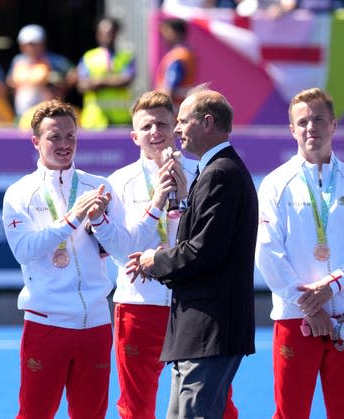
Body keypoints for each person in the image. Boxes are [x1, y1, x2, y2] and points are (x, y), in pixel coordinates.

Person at [125, 85, 257, 418]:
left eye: (183, 121)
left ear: (208, 122)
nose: (177, 130)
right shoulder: (218, 171)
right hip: (204, 328)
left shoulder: (220, 174)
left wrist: (154, 260)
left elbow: (204, 251)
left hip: (207, 328)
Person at [2, 99, 130, 418]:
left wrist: (101, 222)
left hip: (96, 322)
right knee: (35, 413)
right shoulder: (20, 193)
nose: (64, 144)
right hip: (47, 322)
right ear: (36, 142)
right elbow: (24, 250)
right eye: (54, 137)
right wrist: (72, 220)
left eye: (70, 136)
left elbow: (123, 250)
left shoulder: (99, 187)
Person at [255, 87, 344, 419]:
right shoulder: (275, 184)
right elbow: (267, 252)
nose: (312, 127)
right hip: (297, 317)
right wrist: (308, 305)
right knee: (290, 413)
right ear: (292, 130)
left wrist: (331, 287)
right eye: (303, 121)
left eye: (319, 119)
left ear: (334, 125)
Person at [7, 24, 77, 119]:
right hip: (22, 114)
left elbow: (74, 74)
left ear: (42, 43)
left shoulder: (54, 60)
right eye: (27, 44)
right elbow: (9, 82)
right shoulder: (18, 60)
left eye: (34, 44)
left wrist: (60, 84)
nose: (31, 47)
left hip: (47, 115)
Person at [77, 16, 135, 130]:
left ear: (116, 33)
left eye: (110, 33)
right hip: (94, 120)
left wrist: (98, 81)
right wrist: (113, 80)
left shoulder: (126, 57)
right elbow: (82, 86)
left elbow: (126, 80)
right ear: (98, 34)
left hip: (120, 120)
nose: (107, 37)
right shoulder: (89, 57)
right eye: (102, 33)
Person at [154, 18, 196, 113]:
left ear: (175, 32)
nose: (163, 36)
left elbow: (170, 88)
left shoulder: (178, 56)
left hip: (173, 112)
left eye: (166, 31)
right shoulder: (187, 53)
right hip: (181, 110)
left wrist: (162, 112)